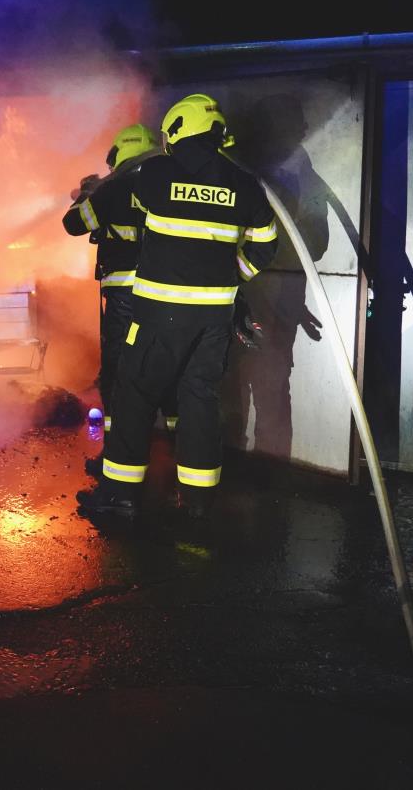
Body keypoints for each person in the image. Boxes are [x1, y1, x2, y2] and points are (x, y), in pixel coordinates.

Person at [75, 94, 280, 521]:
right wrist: (232, 277)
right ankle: (198, 502)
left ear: (178, 129)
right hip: (214, 319)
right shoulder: (244, 183)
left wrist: (100, 189)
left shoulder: (154, 173)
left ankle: (119, 497)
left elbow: (94, 213)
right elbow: (266, 243)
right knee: (199, 397)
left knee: (133, 394)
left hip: (158, 315)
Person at [62, 122, 178, 442]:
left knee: (118, 363)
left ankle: (117, 444)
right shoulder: (171, 183)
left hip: (126, 292)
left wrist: (88, 193)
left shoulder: (114, 188)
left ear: (122, 151)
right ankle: (177, 443)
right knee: (167, 362)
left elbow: (74, 223)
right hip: (168, 293)